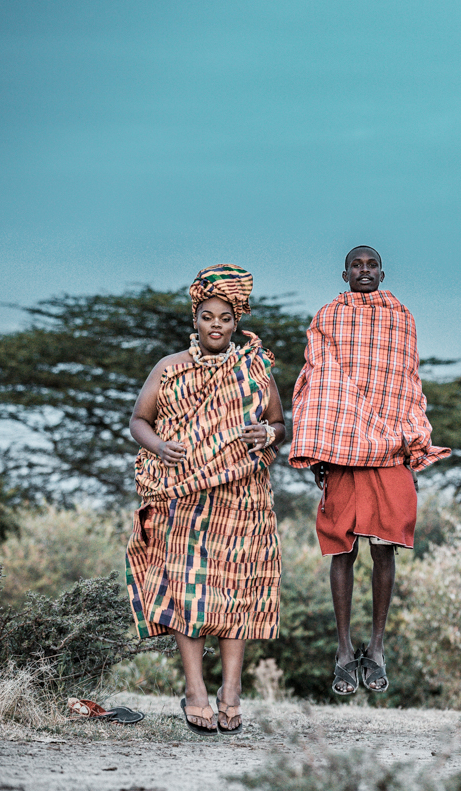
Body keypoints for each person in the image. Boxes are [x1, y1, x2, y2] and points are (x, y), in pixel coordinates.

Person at [126, 263, 285, 736]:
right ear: (195, 318)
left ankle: (231, 692)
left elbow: (279, 423)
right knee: (188, 589)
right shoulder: (170, 368)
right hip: (183, 494)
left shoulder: (254, 368)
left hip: (242, 494)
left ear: (237, 322)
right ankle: (195, 691)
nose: (216, 325)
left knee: (237, 589)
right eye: (207, 316)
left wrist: (266, 433)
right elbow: (139, 420)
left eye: (226, 318)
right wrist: (159, 446)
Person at [289, 245, 449, 696]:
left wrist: (413, 444)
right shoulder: (328, 317)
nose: (364, 271)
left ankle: (375, 649)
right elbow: (318, 377)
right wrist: (322, 446)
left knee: (386, 547)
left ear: (382, 272)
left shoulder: (402, 318)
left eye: (371, 265)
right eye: (356, 265)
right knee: (343, 549)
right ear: (345, 273)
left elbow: (407, 381)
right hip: (342, 447)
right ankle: (343, 652)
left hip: (389, 446)